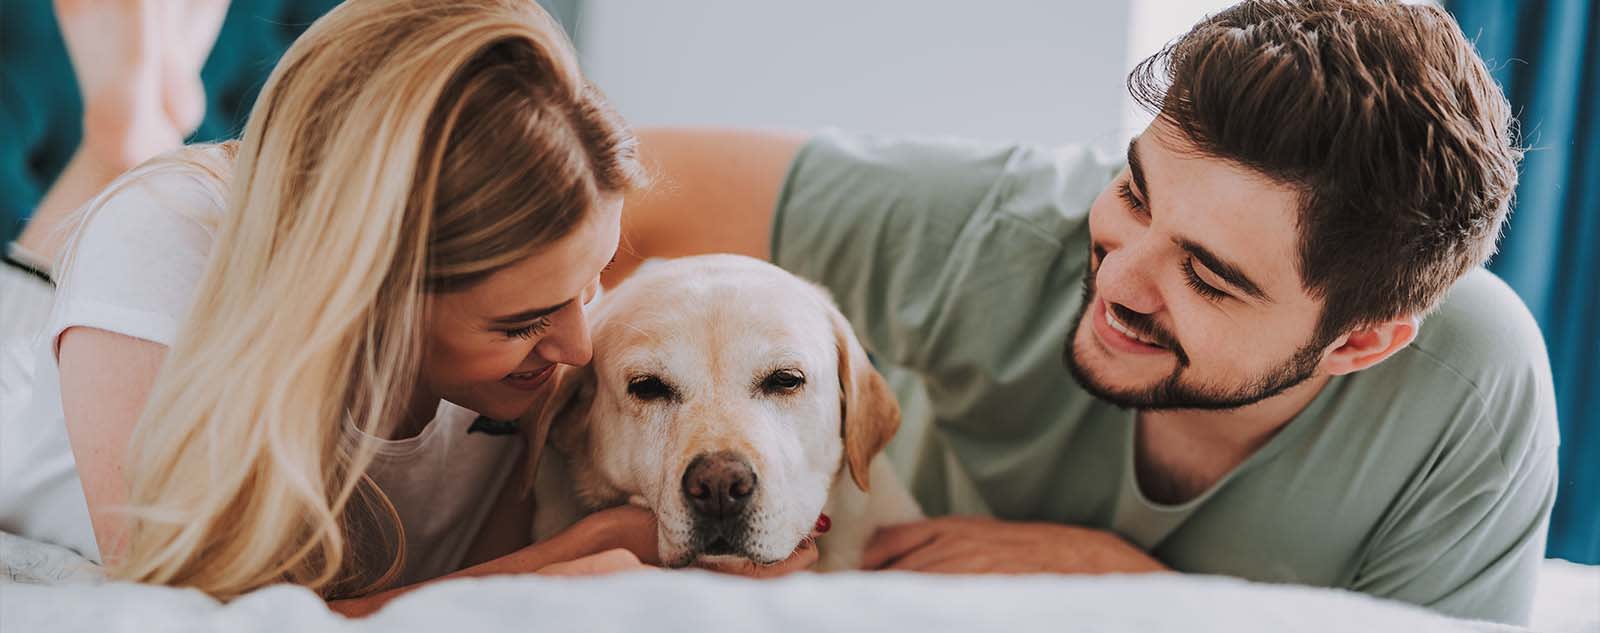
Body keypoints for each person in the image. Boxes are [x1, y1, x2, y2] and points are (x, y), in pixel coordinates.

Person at [608, 0, 1558, 625]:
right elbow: (601, 180)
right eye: (1136, 193)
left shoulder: (1470, 391)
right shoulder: (1007, 232)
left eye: (1211, 276)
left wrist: (1133, 591)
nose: (1116, 279)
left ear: (1359, 342)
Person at [0, 0, 810, 618]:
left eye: (591, 283)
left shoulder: (529, 370)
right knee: (94, 217)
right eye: (523, 321)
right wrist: (568, 555)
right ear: (371, 291)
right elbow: (201, 617)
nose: (575, 345)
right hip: (24, 352)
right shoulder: (157, 245)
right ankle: (129, 118)